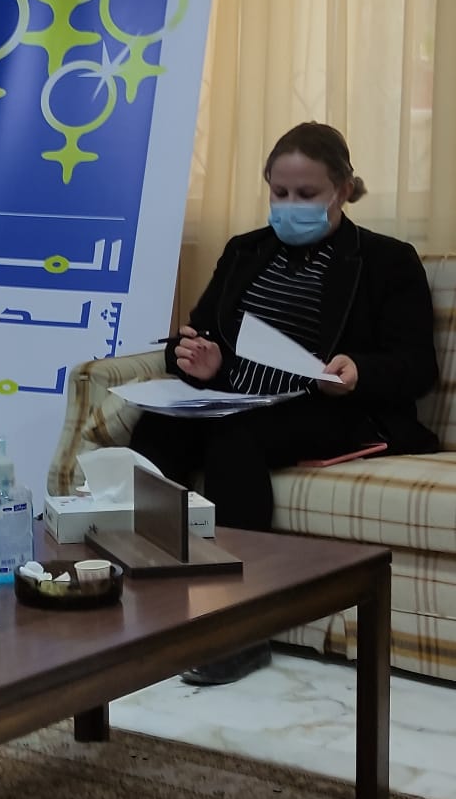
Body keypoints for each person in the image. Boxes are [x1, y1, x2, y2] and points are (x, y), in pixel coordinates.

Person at [130, 121, 439, 685]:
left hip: (328, 408)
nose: (290, 205)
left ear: (344, 189)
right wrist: (195, 357)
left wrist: (359, 371)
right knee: (156, 430)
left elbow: (418, 366)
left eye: (307, 194)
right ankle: (149, 600)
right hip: (238, 396)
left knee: (236, 440)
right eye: (280, 192)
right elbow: (200, 333)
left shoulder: (388, 261)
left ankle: (240, 629)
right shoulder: (245, 250)